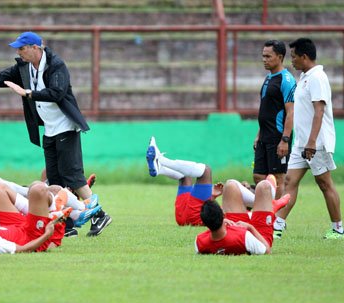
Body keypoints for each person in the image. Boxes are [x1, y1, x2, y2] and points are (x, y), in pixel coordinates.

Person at [0, 32, 111, 237]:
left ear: (35, 47)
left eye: (21, 48)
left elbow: (57, 92)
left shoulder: (56, 65)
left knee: (73, 174)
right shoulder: (23, 68)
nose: (18, 52)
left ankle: (99, 215)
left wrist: (28, 93)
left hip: (65, 126)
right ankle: (66, 225)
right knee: (55, 178)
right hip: (49, 129)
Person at [273, 38, 342, 239]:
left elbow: (319, 112)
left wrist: (312, 142)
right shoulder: (304, 77)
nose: (291, 61)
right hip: (301, 143)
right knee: (289, 180)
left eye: (294, 57)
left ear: (304, 57)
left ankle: (338, 228)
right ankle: (278, 225)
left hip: (316, 143)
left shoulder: (317, 77)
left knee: (324, 184)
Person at [146, 136, 289, 226]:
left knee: (205, 171)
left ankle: (162, 160)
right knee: (185, 177)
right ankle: (160, 169)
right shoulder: (236, 210)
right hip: (185, 217)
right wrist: (212, 196)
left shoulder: (244, 213)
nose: (241, 187)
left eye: (246, 188)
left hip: (194, 216)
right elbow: (215, 213)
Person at [253, 40, 296, 198]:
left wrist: (285, 140)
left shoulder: (287, 80)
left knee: (278, 178)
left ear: (280, 57)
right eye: (263, 56)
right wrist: (258, 135)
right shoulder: (269, 78)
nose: (264, 59)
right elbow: (266, 110)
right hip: (264, 136)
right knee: (259, 177)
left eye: (268, 56)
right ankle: (264, 212)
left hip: (278, 137)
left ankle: (277, 220)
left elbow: (291, 112)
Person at [195, 179, 278, 255]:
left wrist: (212, 197)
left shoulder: (199, 242)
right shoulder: (243, 237)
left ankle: (259, 203)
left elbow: (209, 215)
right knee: (264, 186)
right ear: (223, 214)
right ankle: (269, 204)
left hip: (234, 226)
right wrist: (250, 227)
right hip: (258, 236)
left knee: (230, 186)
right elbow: (266, 250)